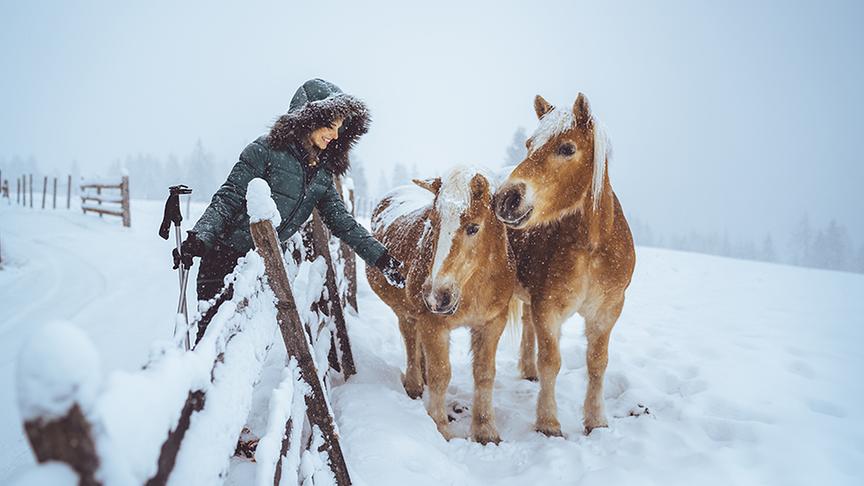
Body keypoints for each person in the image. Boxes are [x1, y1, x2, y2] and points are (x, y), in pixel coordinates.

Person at [173, 78, 405, 342]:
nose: (336, 135)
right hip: (224, 259)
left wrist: (382, 259)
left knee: (239, 343)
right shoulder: (265, 150)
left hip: (261, 264)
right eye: (330, 125)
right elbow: (228, 197)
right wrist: (201, 237)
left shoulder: (321, 174)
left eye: (340, 128)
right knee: (212, 343)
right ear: (308, 119)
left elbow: (342, 222)